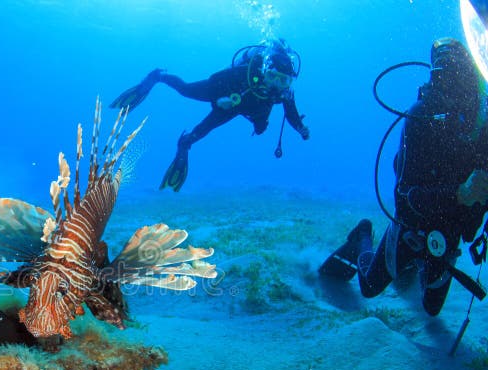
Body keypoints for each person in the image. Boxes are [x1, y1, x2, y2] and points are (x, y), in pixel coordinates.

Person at [319, 38, 488, 316]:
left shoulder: (483, 126)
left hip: (448, 231)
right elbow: (404, 198)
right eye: (444, 78)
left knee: (431, 308)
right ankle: (362, 235)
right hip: (414, 225)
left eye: (461, 79)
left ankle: (414, 265)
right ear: (434, 77)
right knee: (369, 286)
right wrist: (460, 194)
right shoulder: (420, 116)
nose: (454, 89)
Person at [109, 38, 310, 192]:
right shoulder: (247, 73)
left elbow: (291, 113)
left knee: (260, 130)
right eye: (273, 77)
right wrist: (220, 99)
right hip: (228, 100)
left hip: (252, 108)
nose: (276, 85)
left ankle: (185, 142)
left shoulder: (284, 92)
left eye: (283, 81)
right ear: (265, 70)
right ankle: (157, 77)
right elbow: (216, 78)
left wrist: (301, 128)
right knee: (186, 90)